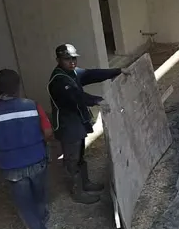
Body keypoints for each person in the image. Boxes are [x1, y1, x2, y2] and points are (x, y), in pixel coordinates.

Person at [0, 69, 54, 229]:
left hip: (11, 166)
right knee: (39, 192)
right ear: (18, 87)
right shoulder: (32, 106)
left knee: (24, 204)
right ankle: (42, 216)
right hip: (37, 159)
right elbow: (47, 133)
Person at [48, 43, 128, 205]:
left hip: (77, 120)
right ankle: (77, 192)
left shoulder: (72, 72)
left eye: (73, 59)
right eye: (67, 59)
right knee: (72, 158)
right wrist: (97, 100)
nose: (72, 62)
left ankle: (85, 183)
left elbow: (91, 74)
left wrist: (116, 71)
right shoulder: (59, 80)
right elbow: (76, 96)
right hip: (67, 124)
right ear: (58, 60)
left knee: (80, 154)